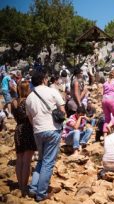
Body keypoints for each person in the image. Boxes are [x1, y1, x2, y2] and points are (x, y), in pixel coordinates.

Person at [25, 70, 65, 202]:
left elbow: (30, 118)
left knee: (41, 160)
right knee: (48, 163)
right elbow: (62, 111)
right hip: (53, 129)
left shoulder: (29, 97)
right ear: (43, 79)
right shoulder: (52, 91)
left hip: (38, 130)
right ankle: (41, 194)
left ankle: (33, 189)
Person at [11, 81, 37, 196]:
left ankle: (20, 185)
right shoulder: (28, 101)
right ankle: (24, 187)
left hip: (18, 129)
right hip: (28, 129)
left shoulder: (14, 102)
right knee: (27, 161)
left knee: (19, 159)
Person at [102, 71, 114, 135]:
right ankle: (111, 128)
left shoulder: (105, 83)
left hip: (104, 100)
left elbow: (102, 93)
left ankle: (105, 136)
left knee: (107, 118)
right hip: (112, 99)